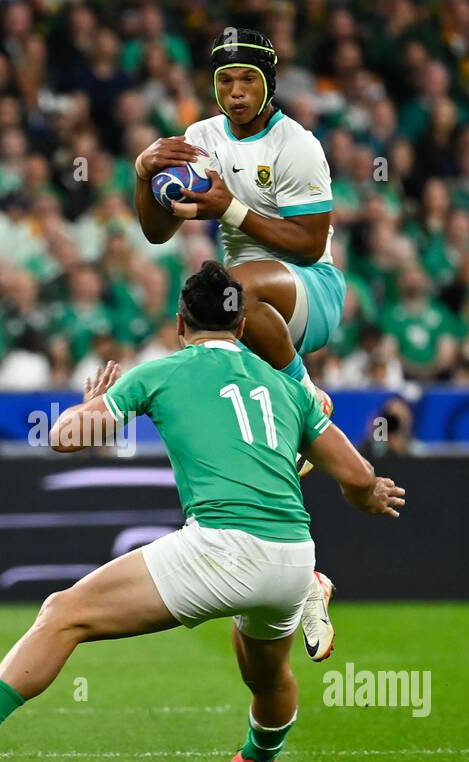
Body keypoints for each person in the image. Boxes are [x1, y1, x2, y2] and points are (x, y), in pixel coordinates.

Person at [0, 262, 404, 762]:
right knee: (265, 674)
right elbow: (358, 475)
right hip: (292, 555)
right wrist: (367, 499)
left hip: (223, 548)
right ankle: (258, 760)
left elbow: (65, 437)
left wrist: (88, 406)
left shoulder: (163, 371)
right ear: (241, 327)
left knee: (64, 612)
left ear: (179, 325)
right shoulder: (285, 387)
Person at [134, 28, 345, 476]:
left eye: (247, 80)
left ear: (269, 82)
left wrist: (230, 209)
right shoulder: (201, 135)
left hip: (312, 290)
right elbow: (158, 232)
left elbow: (309, 246)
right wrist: (142, 175)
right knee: (197, 325)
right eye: (225, 81)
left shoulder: (297, 145)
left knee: (232, 288)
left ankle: (309, 397)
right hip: (248, 306)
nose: (236, 93)